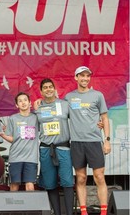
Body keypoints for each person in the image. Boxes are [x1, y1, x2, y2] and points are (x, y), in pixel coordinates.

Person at [65, 66, 111, 215]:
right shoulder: (68, 97)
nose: (85, 78)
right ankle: (83, 212)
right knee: (81, 178)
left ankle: (103, 212)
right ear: (76, 78)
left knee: (99, 177)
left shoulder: (98, 95)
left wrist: (107, 140)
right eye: (82, 76)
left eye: (87, 76)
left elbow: (104, 118)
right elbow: (58, 112)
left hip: (94, 142)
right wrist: (40, 102)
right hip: (77, 143)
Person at [34, 79, 74, 215]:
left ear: (54, 89)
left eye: (51, 87)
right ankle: (56, 212)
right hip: (46, 149)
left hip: (63, 148)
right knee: (50, 183)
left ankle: (69, 213)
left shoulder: (64, 104)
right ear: (41, 91)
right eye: (45, 87)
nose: (48, 89)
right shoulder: (37, 108)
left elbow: (78, 119)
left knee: (67, 182)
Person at [0, 92, 38, 191]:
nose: (23, 103)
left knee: (29, 184)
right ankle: (13, 206)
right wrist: (3, 135)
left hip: (31, 158)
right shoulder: (13, 118)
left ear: (30, 103)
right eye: (20, 101)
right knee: (14, 184)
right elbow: (12, 138)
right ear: (16, 105)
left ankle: (31, 207)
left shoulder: (36, 118)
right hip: (15, 157)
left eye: (25, 100)